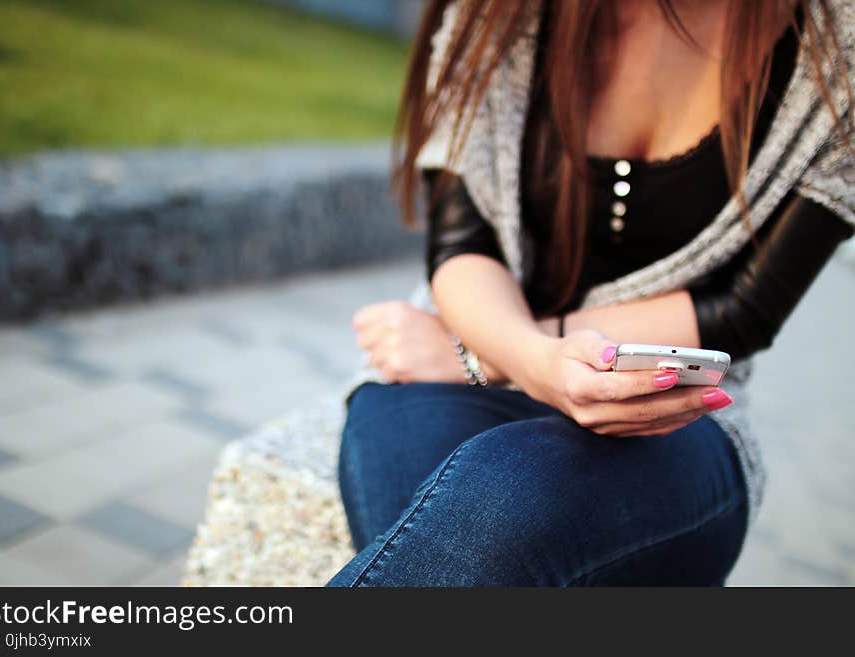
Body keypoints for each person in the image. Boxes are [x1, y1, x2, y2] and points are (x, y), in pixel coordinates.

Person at [327, 0, 855, 586]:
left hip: (670, 414)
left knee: (499, 496)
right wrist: (527, 361)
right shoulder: (500, 14)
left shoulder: (839, 45)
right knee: (444, 511)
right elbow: (462, 244)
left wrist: (486, 358)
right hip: (464, 354)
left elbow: (744, 309)